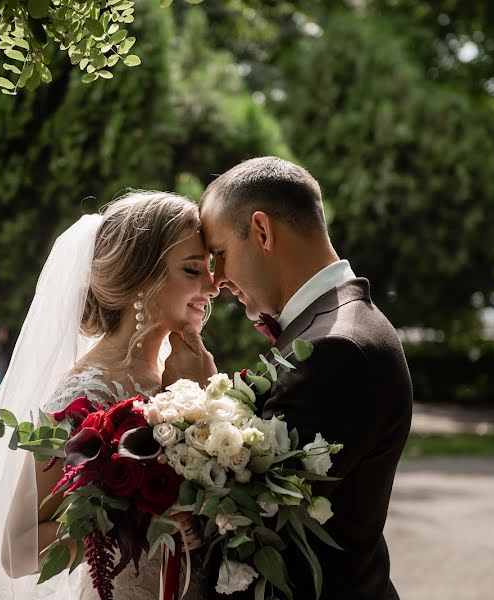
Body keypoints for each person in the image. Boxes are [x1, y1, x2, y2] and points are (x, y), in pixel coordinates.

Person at [0, 191, 218, 600]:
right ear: (141, 279)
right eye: (193, 269)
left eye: (211, 269)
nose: (213, 286)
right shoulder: (85, 394)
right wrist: (135, 515)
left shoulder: (183, 374)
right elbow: (16, 549)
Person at [165, 156, 413, 600]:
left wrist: (199, 398)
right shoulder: (334, 325)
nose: (216, 281)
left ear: (262, 232)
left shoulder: (339, 347)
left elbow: (252, 513)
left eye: (219, 255)